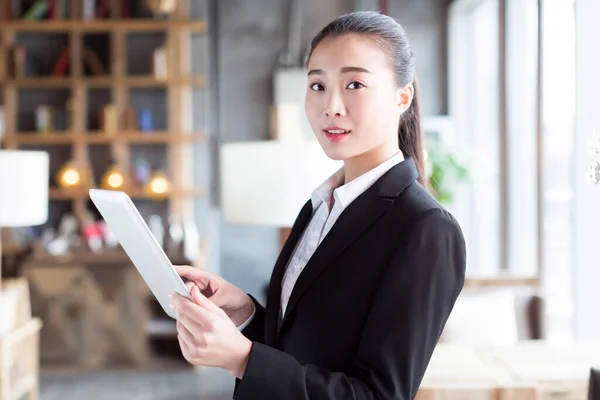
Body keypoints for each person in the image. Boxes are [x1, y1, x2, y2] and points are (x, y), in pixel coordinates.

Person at [169, 10, 466, 400]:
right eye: (317, 86)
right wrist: (245, 313)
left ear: (402, 97)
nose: (332, 106)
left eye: (355, 84)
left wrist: (243, 359)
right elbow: (307, 348)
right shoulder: (319, 206)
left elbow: (380, 395)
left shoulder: (426, 228)